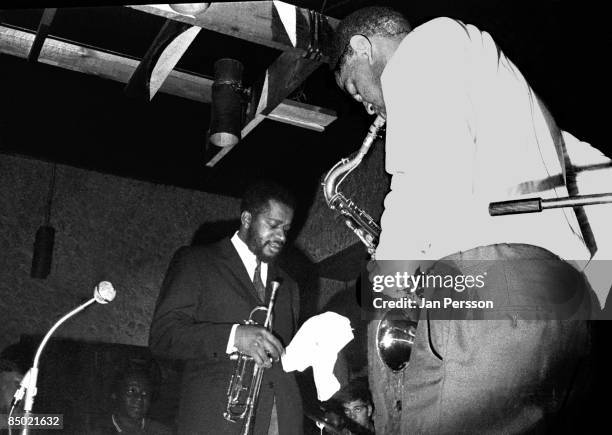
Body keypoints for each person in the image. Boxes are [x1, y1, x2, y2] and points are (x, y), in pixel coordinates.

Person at [330, 6, 606, 434]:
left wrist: (384, 283)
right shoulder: (520, 107)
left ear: (362, 48)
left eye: (353, 87)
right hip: (564, 312)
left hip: (487, 294)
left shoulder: (426, 44)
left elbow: (422, 180)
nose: (365, 105)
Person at [149, 181, 303, 435]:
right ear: (246, 218)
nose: (282, 237)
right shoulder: (197, 262)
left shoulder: (289, 285)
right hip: (216, 421)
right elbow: (163, 336)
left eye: (286, 228)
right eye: (273, 225)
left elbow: (286, 358)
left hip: (279, 419)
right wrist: (234, 337)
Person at [90, 367, 171, 435]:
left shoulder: (162, 432)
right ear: (115, 394)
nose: (139, 398)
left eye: (145, 393)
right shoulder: (97, 429)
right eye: (131, 391)